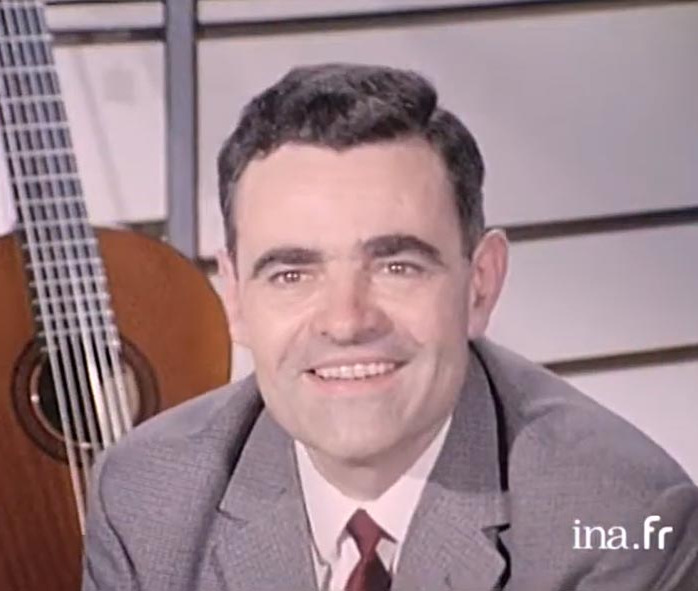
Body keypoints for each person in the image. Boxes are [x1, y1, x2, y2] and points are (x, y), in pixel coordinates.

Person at [81, 63, 698, 591]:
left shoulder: (623, 520)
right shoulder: (146, 500)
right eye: (292, 274)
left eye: (397, 265)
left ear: (480, 284)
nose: (346, 321)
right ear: (236, 299)